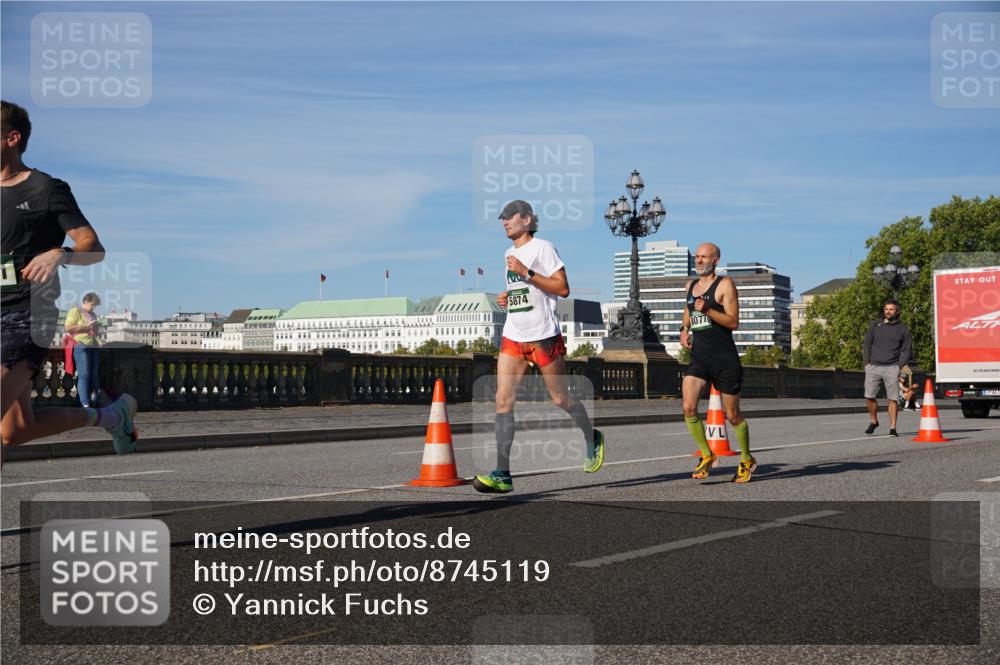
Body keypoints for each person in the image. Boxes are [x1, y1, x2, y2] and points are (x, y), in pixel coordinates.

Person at [1, 100, 138, 456]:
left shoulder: (45, 189)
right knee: (14, 431)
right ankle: (112, 417)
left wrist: (61, 253)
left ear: (11, 138)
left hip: (27, 315)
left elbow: (93, 246)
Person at [473, 200, 604, 493]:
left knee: (561, 400)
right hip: (513, 336)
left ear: (527, 219)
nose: (504, 222)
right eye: (502, 218)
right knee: (502, 402)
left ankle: (591, 437)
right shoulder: (508, 253)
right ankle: (502, 473)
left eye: (509, 217)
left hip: (544, 337)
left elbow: (562, 288)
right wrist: (508, 295)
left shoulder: (543, 247)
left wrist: (527, 272)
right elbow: (524, 290)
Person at [680, 243, 756, 483]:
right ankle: (707, 454)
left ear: (716, 259)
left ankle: (746, 459)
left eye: (704, 257)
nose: (699, 260)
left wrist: (710, 310)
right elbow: (688, 309)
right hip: (699, 358)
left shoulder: (725, 285)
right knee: (688, 408)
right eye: (697, 257)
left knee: (732, 416)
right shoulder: (691, 285)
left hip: (724, 360)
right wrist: (684, 329)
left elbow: (734, 322)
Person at [862, 299, 912, 437]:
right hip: (873, 366)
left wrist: (899, 366)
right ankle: (873, 421)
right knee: (869, 396)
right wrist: (867, 363)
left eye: (891, 309)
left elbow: (907, 349)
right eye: (886, 309)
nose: (887, 311)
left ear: (897, 311)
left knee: (892, 399)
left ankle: (893, 428)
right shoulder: (875, 325)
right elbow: (867, 344)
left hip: (892, 367)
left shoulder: (903, 329)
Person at [65, 292, 109, 408]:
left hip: (93, 345)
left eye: (96, 306)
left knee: (93, 374)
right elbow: (68, 327)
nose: (94, 308)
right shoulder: (75, 311)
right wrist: (86, 327)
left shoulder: (93, 315)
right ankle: (85, 404)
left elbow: (95, 333)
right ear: (85, 302)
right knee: (84, 374)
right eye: (92, 305)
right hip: (81, 345)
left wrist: (95, 328)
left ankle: (88, 399)